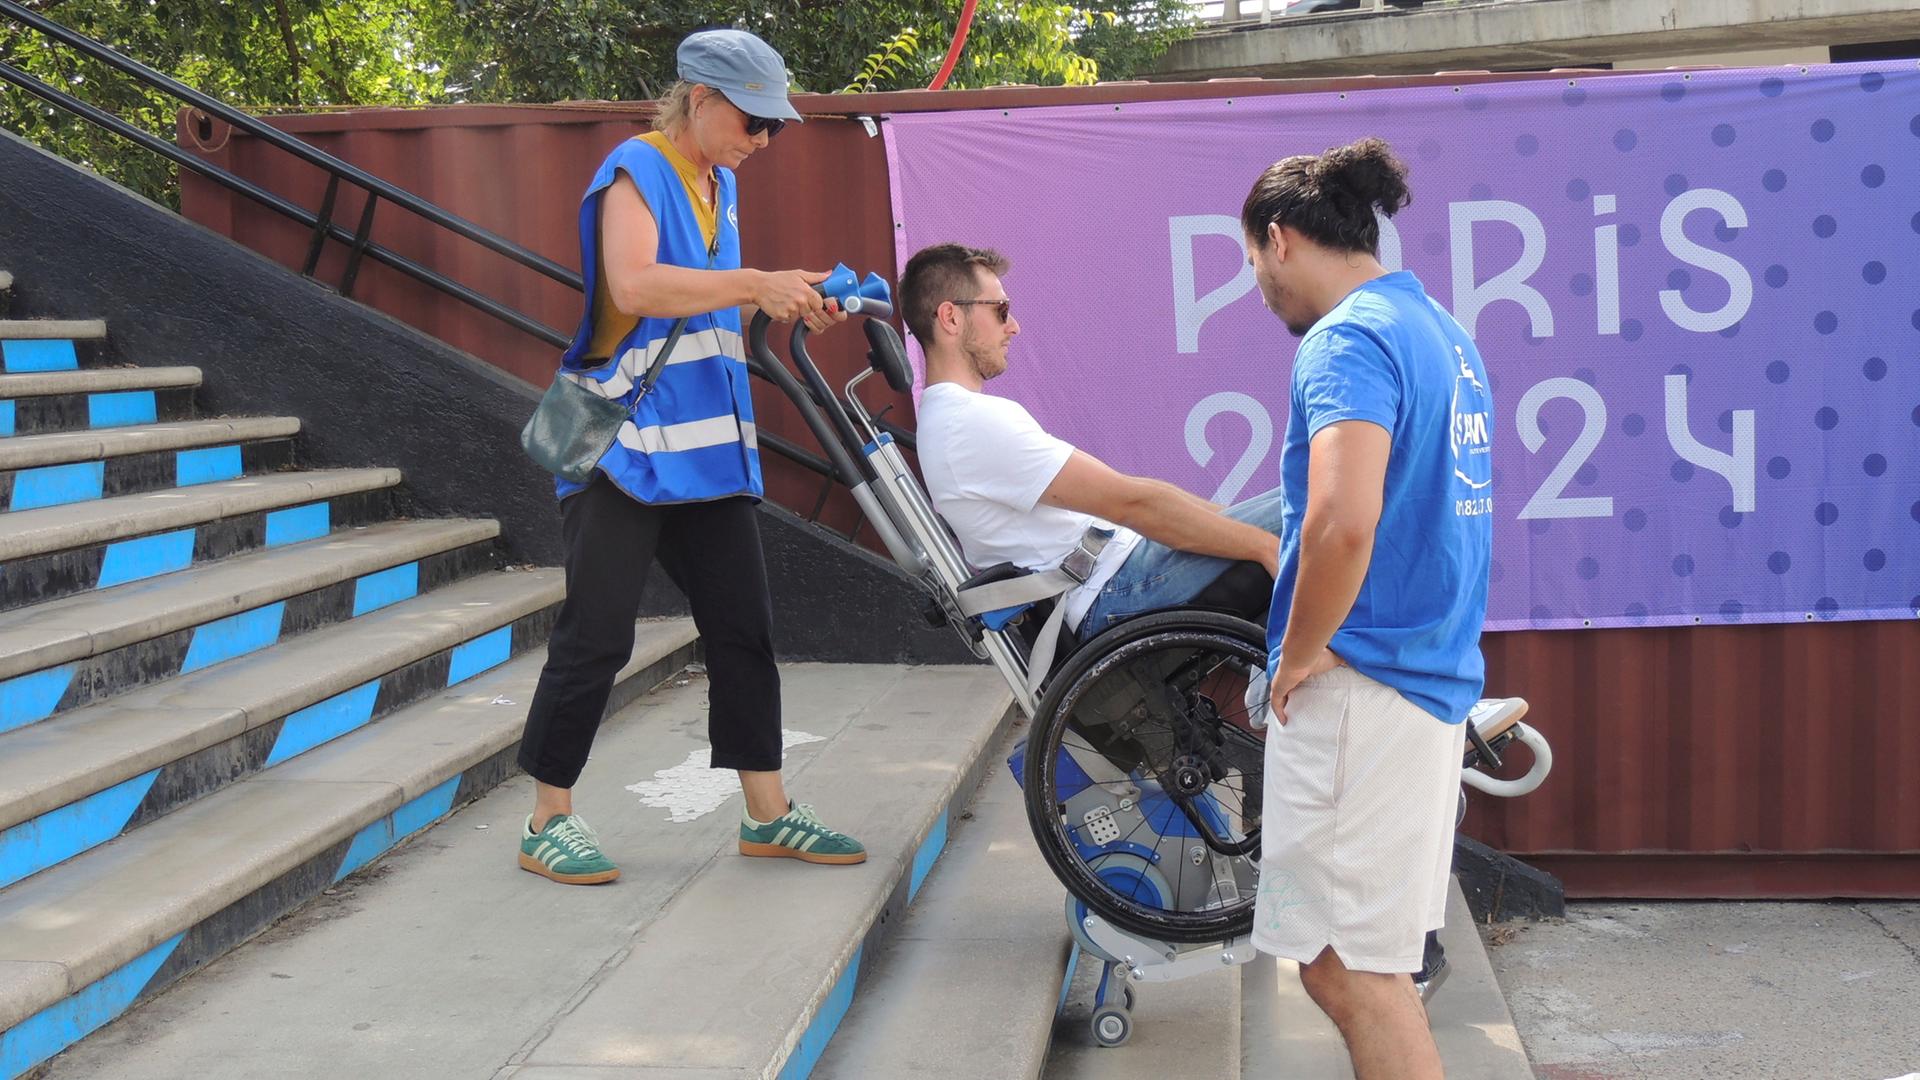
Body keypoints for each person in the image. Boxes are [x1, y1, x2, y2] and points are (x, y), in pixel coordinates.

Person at [515, 28, 865, 886]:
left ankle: (768, 814)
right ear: (701, 99)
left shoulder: (719, 184)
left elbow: (701, 312)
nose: (765, 139)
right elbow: (634, 288)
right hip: (626, 450)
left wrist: (793, 298)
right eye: (753, 121)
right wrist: (755, 282)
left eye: (775, 127)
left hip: (706, 448)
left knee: (744, 629)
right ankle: (545, 819)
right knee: (596, 635)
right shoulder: (637, 168)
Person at [1243, 137, 1494, 1080]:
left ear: (1279, 240)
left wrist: (1299, 651)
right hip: (1420, 680)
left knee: (1352, 972)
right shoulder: (1440, 332)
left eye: (1252, 266)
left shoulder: (1345, 340)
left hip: (1363, 686)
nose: (1261, 289)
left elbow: (1345, 522)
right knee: (1359, 964)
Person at [899, 243, 1283, 652]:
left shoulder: (959, 419)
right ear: (951, 317)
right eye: (1001, 310)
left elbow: (1130, 491)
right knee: (1325, 503)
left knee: (1314, 506)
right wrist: (1262, 544)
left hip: (1116, 575)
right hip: (1116, 591)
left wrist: (1238, 525)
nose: (1014, 327)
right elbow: (1132, 504)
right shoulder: (968, 423)